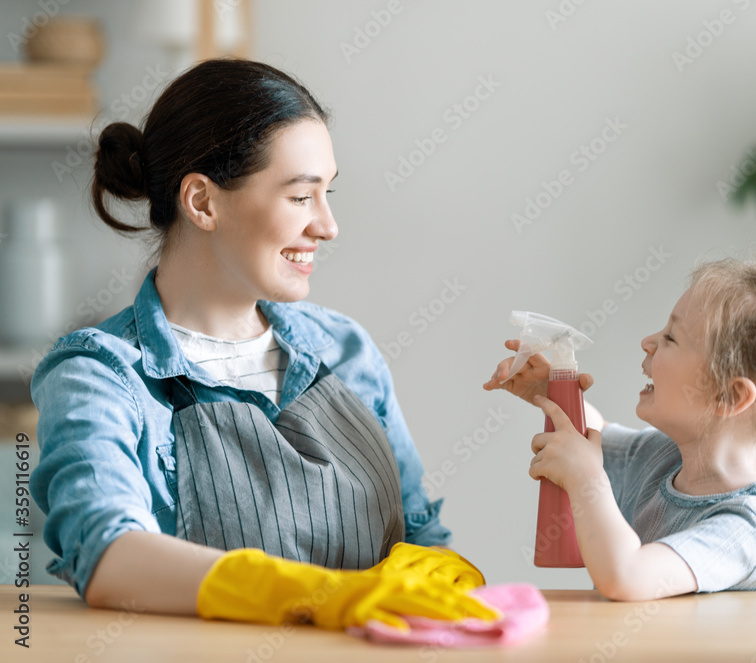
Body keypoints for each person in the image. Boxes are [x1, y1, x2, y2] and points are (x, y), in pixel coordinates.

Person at [29, 58, 496, 629]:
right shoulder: (99, 374)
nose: (328, 226)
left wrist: (443, 568)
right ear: (202, 202)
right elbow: (106, 555)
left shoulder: (343, 349)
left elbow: (421, 529)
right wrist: (322, 596)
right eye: (302, 197)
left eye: (328, 194)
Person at [484, 258, 756, 600]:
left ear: (730, 397)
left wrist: (587, 479)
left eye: (670, 337)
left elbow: (625, 577)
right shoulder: (660, 458)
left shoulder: (749, 526)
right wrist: (550, 389)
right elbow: (591, 436)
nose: (648, 342)